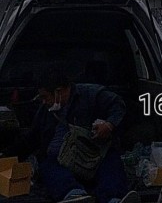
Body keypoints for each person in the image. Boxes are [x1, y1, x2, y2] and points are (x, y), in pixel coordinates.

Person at [14, 70, 135, 203]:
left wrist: (109, 125)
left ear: (58, 91)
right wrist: (7, 156)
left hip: (92, 156)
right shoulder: (45, 111)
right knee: (47, 167)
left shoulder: (90, 94)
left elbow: (118, 106)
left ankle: (114, 199)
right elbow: (31, 138)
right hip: (61, 161)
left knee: (111, 163)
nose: (43, 102)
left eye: (45, 97)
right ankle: (75, 196)